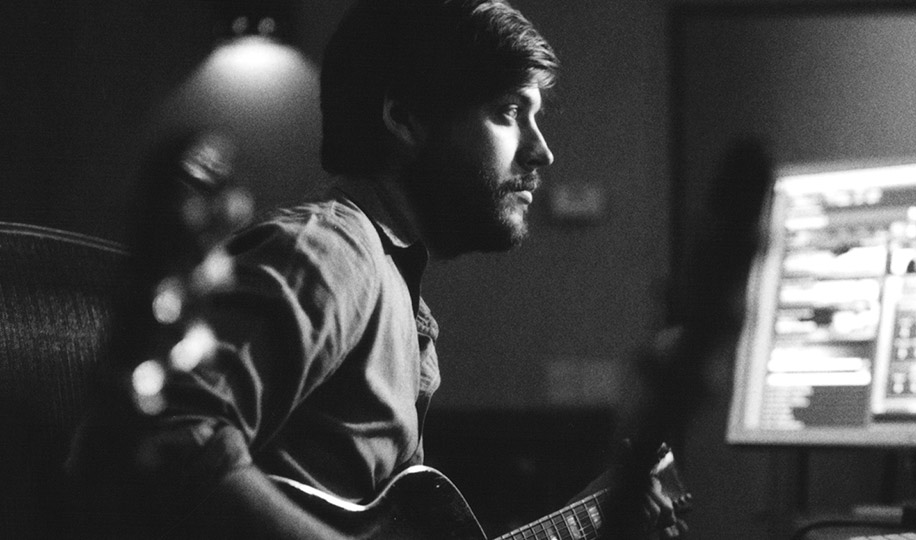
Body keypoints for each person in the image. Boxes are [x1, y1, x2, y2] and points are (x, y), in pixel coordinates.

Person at [66, 0, 677, 538]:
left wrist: (602, 516)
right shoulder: (331, 254)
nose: (542, 150)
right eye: (508, 110)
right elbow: (162, 436)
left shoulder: (395, 290)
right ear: (405, 119)